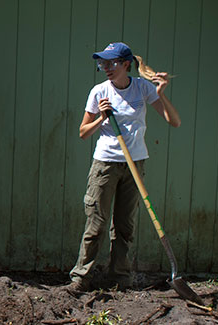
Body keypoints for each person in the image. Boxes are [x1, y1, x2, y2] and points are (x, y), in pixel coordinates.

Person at [67, 42, 180, 292]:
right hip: (105, 163)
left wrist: (161, 94)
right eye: (102, 64)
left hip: (135, 163)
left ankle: (119, 278)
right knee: (96, 223)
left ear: (126, 64)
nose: (106, 68)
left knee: (124, 226)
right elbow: (83, 133)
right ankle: (81, 277)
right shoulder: (99, 92)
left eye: (111, 63)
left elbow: (175, 121)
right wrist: (101, 118)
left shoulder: (142, 88)